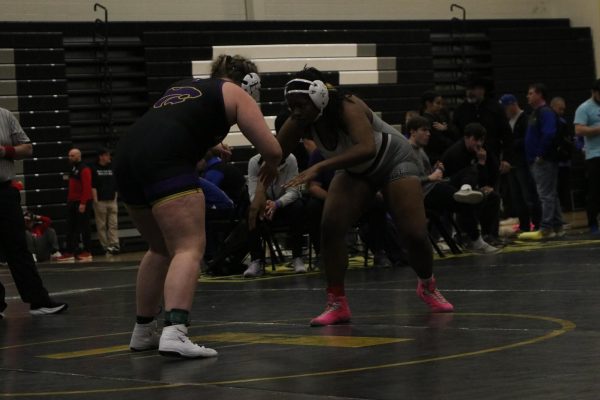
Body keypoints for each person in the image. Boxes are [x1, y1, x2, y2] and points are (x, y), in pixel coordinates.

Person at [113, 54, 282, 358]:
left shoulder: (184, 86)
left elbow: (173, 125)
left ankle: (142, 332)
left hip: (126, 155)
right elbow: (271, 148)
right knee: (189, 247)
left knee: (160, 248)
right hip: (164, 158)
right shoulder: (236, 92)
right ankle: (176, 332)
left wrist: (208, 143)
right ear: (249, 83)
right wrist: (271, 164)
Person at [272, 67, 453, 327]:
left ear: (319, 97)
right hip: (356, 170)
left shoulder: (349, 105)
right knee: (330, 228)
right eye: (291, 107)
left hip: (392, 161)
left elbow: (367, 148)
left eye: (300, 105)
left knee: (414, 233)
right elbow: (273, 157)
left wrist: (321, 166)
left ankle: (427, 284)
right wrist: (258, 195)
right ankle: (337, 303)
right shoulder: (299, 118)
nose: (295, 112)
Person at [0, 106, 68, 318]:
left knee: (18, 248)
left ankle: (38, 301)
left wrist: (5, 151)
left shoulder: (4, 115)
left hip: (4, 191)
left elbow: (28, 148)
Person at [407, 116, 499, 254]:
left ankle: (466, 189)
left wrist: (436, 169)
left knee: (469, 176)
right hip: (424, 194)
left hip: (434, 186)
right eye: (424, 130)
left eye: (429, 130)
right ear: (413, 132)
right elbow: (407, 181)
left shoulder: (420, 150)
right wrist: (430, 177)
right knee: (463, 200)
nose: (428, 134)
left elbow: (425, 173)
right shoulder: (407, 152)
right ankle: (475, 240)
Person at [245, 153, 307, 277]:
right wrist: (263, 203)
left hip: (284, 203)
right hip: (265, 203)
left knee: (299, 207)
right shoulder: (253, 162)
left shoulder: (291, 159)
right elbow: (252, 193)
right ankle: (256, 260)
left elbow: (293, 191)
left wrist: (277, 204)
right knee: (250, 211)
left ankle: (297, 257)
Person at [441, 122, 503, 245]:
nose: (479, 144)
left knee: (493, 197)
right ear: (466, 138)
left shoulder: (484, 150)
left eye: (481, 140)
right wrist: (480, 165)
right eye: (475, 140)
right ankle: (465, 234)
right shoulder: (455, 153)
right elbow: (457, 178)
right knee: (468, 199)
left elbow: (494, 172)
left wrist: (487, 183)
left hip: (475, 186)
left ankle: (489, 234)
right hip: (454, 188)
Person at [518, 83, 565, 240]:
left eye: (531, 93)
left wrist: (540, 153)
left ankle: (546, 228)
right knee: (550, 193)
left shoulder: (545, 112)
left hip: (543, 160)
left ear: (539, 95)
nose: (528, 96)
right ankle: (558, 226)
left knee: (545, 195)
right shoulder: (536, 113)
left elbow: (549, 133)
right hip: (538, 160)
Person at [499, 94, 541, 234]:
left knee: (529, 194)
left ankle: (537, 223)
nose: (504, 112)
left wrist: (511, 144)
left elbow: (527, 140)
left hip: (523, 163)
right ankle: (524, 225)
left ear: (512, 105)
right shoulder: (508, 121)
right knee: (517, 197)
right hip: (512, 164)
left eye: (505, 108)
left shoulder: (525, 119)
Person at [55, 148, 94, 262]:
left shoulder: (84, 169)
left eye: (72, 156)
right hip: (73, 202)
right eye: (69, 155)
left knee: (84, 227)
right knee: (70, 228)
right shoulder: (73, 168)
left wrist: (83, 203)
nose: (70, 157)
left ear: (78, 156)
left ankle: (87, 251)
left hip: (81, 202)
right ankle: (69, 251)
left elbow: (87, 187)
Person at [574, 79, 600, 234]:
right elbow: (579, 130)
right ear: (594, 92)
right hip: (595, 155)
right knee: (595, 191)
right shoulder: (584, 108)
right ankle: (593, 223)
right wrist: (598, 129)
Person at [419, 90, 460, 165]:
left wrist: (446, 129)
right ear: (428, 103)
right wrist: (455, 145)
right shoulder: (428, 120)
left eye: (441, 103)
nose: (440, 106)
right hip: (435, 157)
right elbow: (439, 141)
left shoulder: (438, 117)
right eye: (438, 103)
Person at [92, 147, 119, 255]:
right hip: (100, 201)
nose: (109, 157)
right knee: (101, 225)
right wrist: (96, 200)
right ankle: (105, 246)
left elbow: (115, 183)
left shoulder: (112, 167)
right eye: (107, 155)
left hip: (112, 200)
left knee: (113, 224)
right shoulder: (94, 168)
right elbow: (92, 186)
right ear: (101, 156)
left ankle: (114, 245)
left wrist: (115, 197)